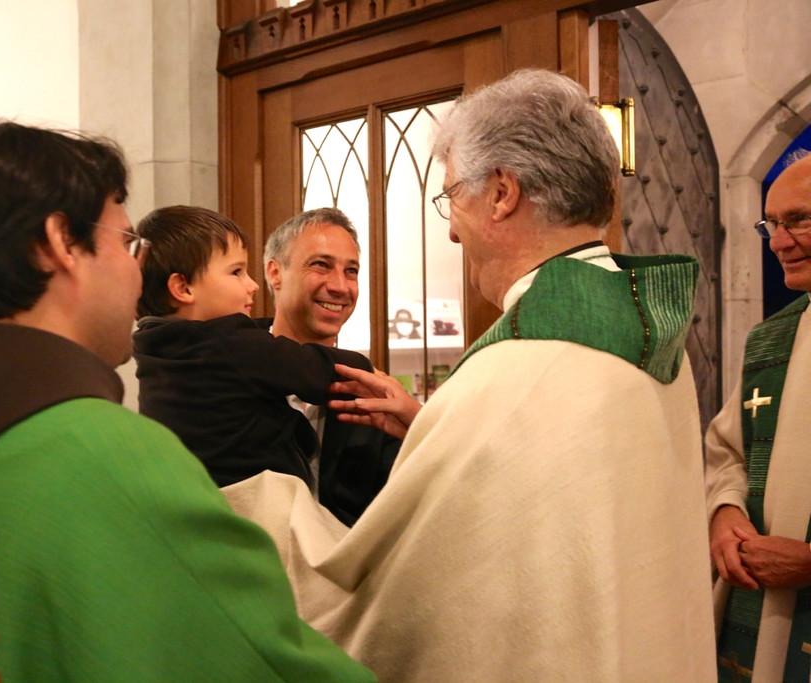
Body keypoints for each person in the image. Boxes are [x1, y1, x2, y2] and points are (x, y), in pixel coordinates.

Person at [0, 121, 373, 682]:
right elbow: (276, 662)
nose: (138, 271)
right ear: (60, 244)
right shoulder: (113, 457)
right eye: (127, 242)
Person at [223, 68, 717, 680]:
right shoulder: (648, 332)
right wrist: (431, 427)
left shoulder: (514, 370)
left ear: (502, 192)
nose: (453, 230)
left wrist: (263, 508)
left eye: (453, 195)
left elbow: (390, 607)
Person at [132, 205, 373, 492]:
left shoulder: (152, 348)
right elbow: (312, 369)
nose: (253, 285)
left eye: (351, 271)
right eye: (236, 272)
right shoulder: (233, 345)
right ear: (183, 288)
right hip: (254, 503)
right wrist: (365, 369)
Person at [705, 151, 811, 681]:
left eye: (800, 220)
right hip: (769, 620)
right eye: (771, 224)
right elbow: (728, 452)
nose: (778, 242)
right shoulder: (772, 338)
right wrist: (725, 513)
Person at [261, 208, 400, 525]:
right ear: (275, 273)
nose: (340, 286)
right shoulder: (230, 373)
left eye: (351, 271)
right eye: (321, 265)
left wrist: (418, 426)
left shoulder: (371, 391)